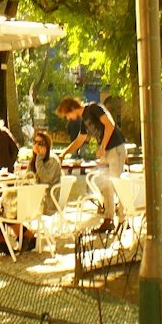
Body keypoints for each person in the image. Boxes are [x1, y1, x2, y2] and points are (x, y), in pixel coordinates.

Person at [56, 96, 125, 234]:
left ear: (72, 109)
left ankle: (123, 220)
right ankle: (108, 219)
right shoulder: (84, 119)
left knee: (117, 184)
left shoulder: (93, 108)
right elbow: (80, 139)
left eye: (67, 115)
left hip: (115, 147)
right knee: (105, 185)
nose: (68, 118)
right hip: (106, 151)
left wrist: (103, 147)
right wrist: (64, 153)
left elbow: (109, 125)